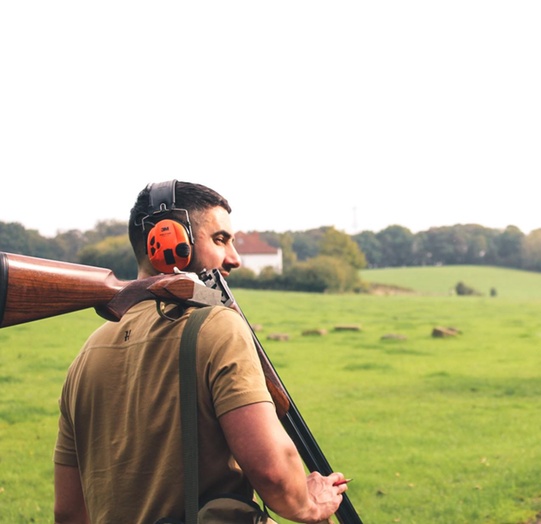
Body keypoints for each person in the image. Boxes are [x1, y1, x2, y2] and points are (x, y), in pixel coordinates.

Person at [53, 181, 347, 524]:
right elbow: (273, 474)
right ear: (166, 240)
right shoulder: (218, 325)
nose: (234, 259)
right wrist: (309, 502)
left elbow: (69, 511)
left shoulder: (86, 354)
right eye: (220, 240)